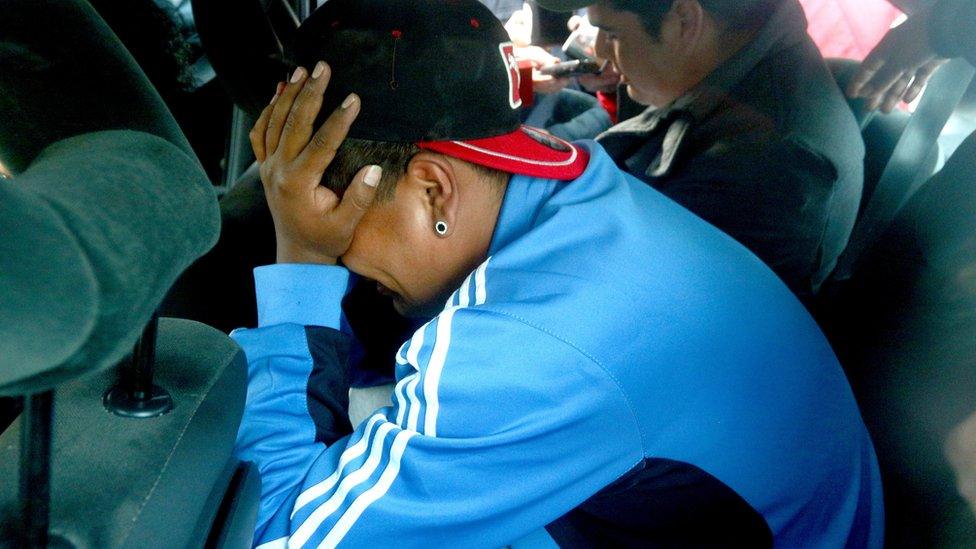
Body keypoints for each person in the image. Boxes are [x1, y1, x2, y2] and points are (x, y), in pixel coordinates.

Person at [231, 0, 882, 545]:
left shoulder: (526, 343)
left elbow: (283, 530)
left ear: (434, 189)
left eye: (337, 224)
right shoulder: (577, 181)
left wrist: (301, 257)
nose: (340, 252)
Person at [537, 0, 865, 304]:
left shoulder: (767, 164)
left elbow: (631, 297)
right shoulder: (737, 74)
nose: (600, 50)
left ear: (684, 21)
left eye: (611, 33)